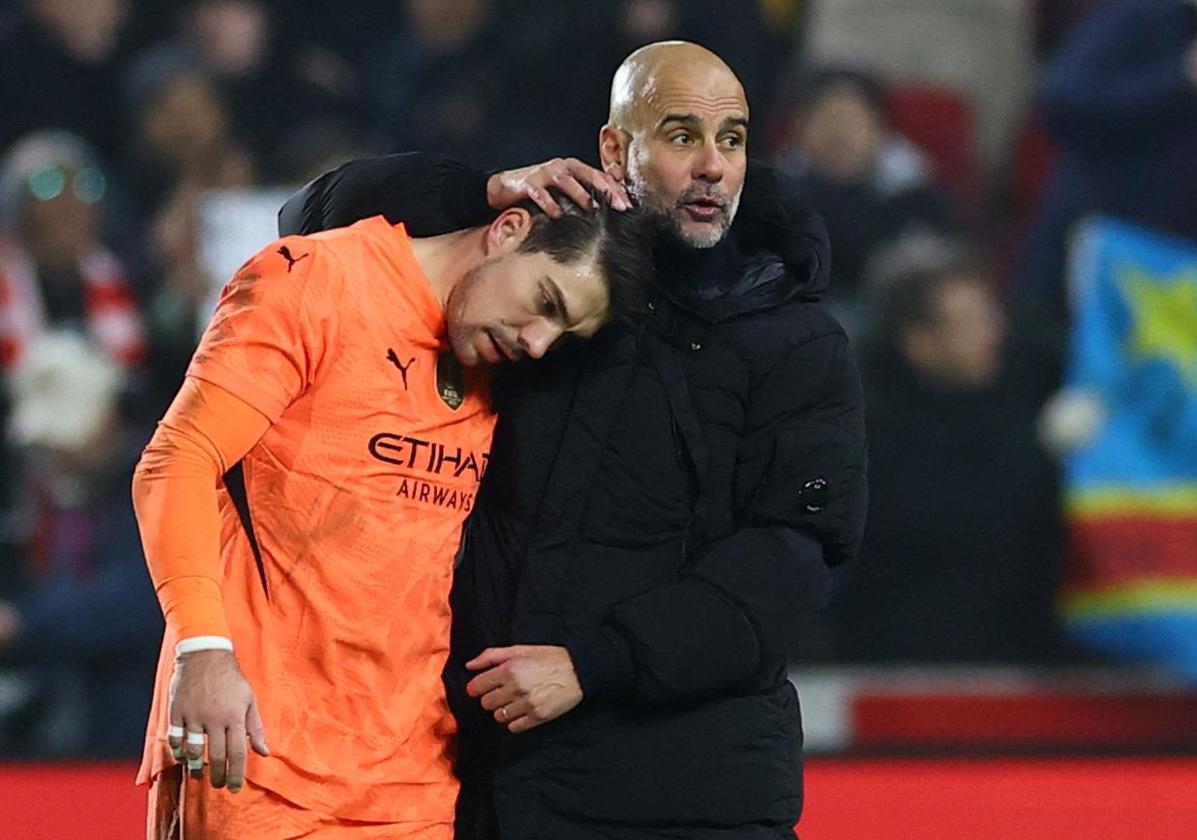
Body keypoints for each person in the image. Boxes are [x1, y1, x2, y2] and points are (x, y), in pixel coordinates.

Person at [283, 40, 867, 839]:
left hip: (693, 791)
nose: (710, 166)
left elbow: (792, 561)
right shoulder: (540, 289)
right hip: (494, 780)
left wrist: (594, 664)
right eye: (679, 134)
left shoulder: (795, 341)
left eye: (730, 139)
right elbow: (311, 225)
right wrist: (480, 190)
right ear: (612, 149)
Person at [133, 193, 652, 839]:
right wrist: (201, 651)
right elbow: (178, 460)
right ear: (508, 228)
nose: (539, 342)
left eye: (563, 334)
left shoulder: (495, 364)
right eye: (547, 302)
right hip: (259, 756)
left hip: (412, 775)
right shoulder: (318, 279)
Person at [831, 235, 1061, 663]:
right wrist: (1043, 459)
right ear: (919, 343)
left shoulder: (1012, 396)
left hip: (1013, 659)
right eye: (972, 322)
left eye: (992, 314)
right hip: (910, 667)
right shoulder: (868, 434)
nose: (996, 332)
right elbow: (956, 522)